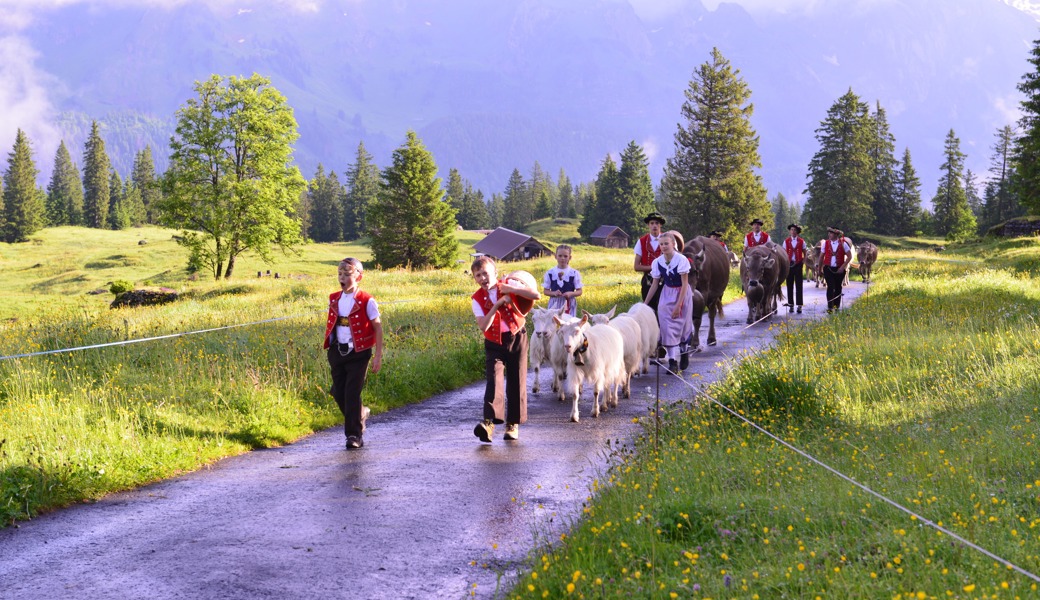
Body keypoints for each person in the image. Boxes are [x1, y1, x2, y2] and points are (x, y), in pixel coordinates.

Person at [471, 256, 541, 443]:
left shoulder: (508, 283)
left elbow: (536, 295)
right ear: (475, 279)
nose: (483, 278)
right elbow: (483, 326)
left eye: (485, 273)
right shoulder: (476, 299)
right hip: (494, 343)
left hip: (517, 336)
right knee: (494, 380)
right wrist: (496, 306)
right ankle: (489, 423)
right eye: (478, 275)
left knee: (517, 380)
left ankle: (513, 424)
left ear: (494, 272)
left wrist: (511, 289)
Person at [323, 257, 383, 450]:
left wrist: (378, 355)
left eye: (347, 274)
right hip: (337, 352)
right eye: (340, 274)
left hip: (359, 353)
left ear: (359, 276)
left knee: (352, 393)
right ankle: (360, 414)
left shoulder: (367, 300)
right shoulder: (334, 298)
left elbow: (378, 328)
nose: (342, 277)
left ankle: (354, 435)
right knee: (338, 392)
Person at [644, 232, 693, 374]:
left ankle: (684, 351)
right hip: (667, 294)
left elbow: (685, 284)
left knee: (683, 325)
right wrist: (645, 303)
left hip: (682, 293)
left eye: (666, 243)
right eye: (661, 244)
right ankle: (672, 361)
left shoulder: (681, 260)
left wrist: (678, 305)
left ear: (673, 244)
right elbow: (654, 284)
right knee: (666, 326)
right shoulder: (657, 262)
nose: (664, 246)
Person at [634, 211, 665, 312]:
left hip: (665, 281)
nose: (654, 226)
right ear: (648, 225)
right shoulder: (641, 241)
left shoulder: (668, 240)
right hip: (648, 281)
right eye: (652, 223)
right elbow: (636, 266)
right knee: (649, 311)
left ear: (660, 225)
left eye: (657, 223)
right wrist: (653, 267)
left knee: (664, 310)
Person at [542, 244, 583, 317]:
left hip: (568, 303)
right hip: (554, 303)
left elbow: (579, 291)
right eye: (560, 256)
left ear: (570, 257)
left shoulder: (574, 273)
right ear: (555, 256)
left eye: (565, 256)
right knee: (553, 323)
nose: (562, 258)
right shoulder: (550, 273)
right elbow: (546, 291)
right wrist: (554, 293)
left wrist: (570, 294)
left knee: (568, 324)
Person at [820, 227, 852, 312]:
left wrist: (843, 267)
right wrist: (819, 269)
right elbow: (821, 257)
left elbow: (849, 256)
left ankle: (836, 306)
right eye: (829, 233)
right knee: (830, 287)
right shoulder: (825, 244)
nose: (829, 234)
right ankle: (830, 307)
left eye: (831, 233)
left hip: (839, 269)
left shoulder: (843, 244)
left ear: (836, 234)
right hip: (828, 268)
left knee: (838, 287)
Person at [783, 224, 807, 313]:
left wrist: (803, 262)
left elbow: (805, 252)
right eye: (792, 230)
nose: (793, 231)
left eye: (795, 230)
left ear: (797, 232)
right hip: (789, 265)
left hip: (798, 264)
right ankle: (791, 304)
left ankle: (799, 305)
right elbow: (784, 254)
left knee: (799, 285)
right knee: (789, 285)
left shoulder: (801, 241)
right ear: (790, 231)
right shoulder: (786, 241)